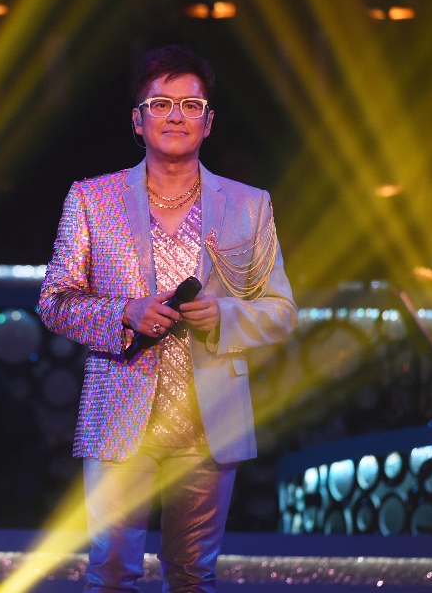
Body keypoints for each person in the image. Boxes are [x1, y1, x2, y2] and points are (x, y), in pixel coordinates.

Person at [38, 45, 297, 592]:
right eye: (160, 104)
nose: (176, 115)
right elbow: (55, 301)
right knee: (111, 572)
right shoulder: (92, 199)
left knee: (193, 576)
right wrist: (124, 312)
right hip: (119, 413)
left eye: (190, 105)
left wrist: (223, 316)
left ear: (209, 121)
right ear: (138, 120)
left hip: (209, 421)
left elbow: (280, 312)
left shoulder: (249, 205)